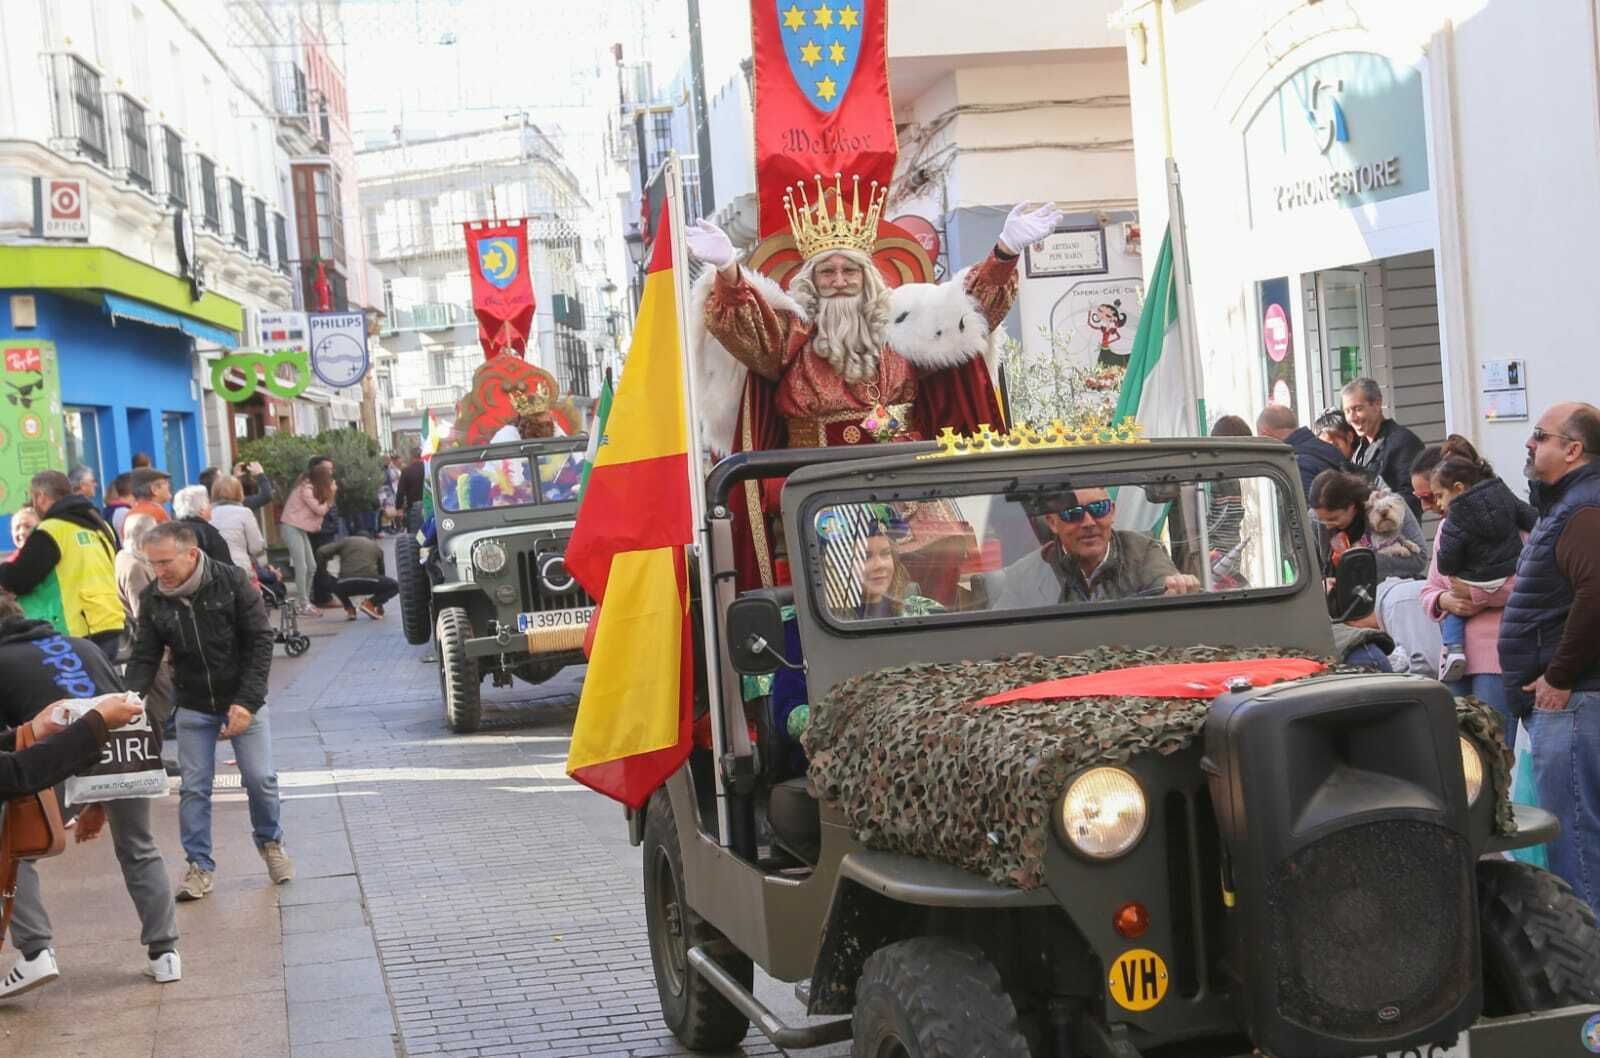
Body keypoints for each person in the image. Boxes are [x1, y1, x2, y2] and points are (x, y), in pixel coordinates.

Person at [689, 192, 1061, 591]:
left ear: (867, 277)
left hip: (906, 492)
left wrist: (1004, 251)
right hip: (818, 494)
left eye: (849, 270)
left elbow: (967, 313)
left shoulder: (905, 326)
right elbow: (746, 324)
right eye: (827, 272)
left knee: (937, 588)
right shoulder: (791, 335)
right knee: (827, 596)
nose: (839, 282)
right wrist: (728, 270)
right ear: (811, 281)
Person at [0, 593, 181, 997]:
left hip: (57, 752)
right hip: (127, 748)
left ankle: (36, 952)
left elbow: (9, 758)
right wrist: (98, 801)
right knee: (139, 847)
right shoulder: (82, 645)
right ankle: (166, 953)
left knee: (12, 851)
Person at [122, 522, 289, 900]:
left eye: (165, 562)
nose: (159, 571)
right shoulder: (153, 598)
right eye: (153, 563)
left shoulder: (231, 582)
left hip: (242, 698)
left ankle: (271, 843)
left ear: (191, 554)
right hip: (194, 703)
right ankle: (199, 866)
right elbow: (145, 655)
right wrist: (130, 699)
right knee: (194, 789)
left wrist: (247, 703)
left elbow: (261, 641)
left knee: (260, 779)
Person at [1499, 401, 1600, 918]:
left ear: (1573, 449)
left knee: (1577, 845)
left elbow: (1595, 594)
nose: (1529, 442)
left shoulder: (1583, 509)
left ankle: (1587, 961)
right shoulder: (1568, 505)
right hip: (1572, 701)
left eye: (1540, 435)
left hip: (1574, 701)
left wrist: (1559, 676)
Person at [986, 488, 1201, 608]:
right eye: (1073, 513)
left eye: (1099, 509)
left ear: (1112, 512)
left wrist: (1178, 590)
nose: (1088, 522)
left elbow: (1167, 585)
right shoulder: (1024, 575)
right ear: (1052, 522)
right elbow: (999, 637)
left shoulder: (1143, 551)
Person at [1429, 443, 1537, 681]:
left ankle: (1454, 647)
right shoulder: (1509, 504)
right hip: (1456, 665)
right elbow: (1430, 588)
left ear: (1458, 488)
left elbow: (1532, 582)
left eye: (1438, 496)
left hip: (1497, 653)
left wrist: (1475, 594)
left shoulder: (1455, 524)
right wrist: (1444, 600)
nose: (1436, 505)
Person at [0, 471, 124, 659]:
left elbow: (18, 579)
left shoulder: (52, 529)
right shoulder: (100, 525)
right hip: (108, 621)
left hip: (75, 628)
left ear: (41, 496)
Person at [1307, 469, 1428, 582]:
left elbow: (1420, 558)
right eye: (1321, 520)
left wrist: (1361, 563)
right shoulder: (1316, 520)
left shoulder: (1389, 505)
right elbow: (1314, 573)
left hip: (1389, 586)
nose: (1327, 526)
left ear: (1352, 506)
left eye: (1333, 519)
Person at [1341, 378, 1426, 518]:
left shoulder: (1403, 442)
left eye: (1358, 409)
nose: (1352, 418)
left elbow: (1412, 500)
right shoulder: (1360, 449)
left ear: (1377, 403)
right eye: (1347, 411)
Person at [279, 460, 337, 617]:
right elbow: (320, 510)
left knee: (311, 566)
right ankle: (303, 604)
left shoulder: (310, 487)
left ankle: (303, 602)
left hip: (300, 528)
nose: (331, 478)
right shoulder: (306, 489)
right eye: (328, 475)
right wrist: (331, 495)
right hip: (291, 527)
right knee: (302, 566)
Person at [1257, 404, 1350, 497]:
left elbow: (1306, 505)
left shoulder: (1294, 464)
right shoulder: (1329, 449)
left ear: (1265, 432)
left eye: (1260, 438)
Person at [316, 533, 397, 620]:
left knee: (332, 581)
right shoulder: (376, 547)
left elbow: (321, 552)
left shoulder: (345, 541)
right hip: (369, 582)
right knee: (395, 586)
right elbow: (381, 574)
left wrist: (323, 573)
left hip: (345, 584)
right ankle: (369, 604)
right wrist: (378, 604)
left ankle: (350, 609)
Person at [209, 475, 268, 575]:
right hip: (240, 569)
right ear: (239, 491)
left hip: (215, 570)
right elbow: (256, 547)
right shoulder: (245, 512)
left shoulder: (208, 513)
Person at [171, 484, 235, 568]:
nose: (211, 507)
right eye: (208, 503)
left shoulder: (169, 532)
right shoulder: (209, 534)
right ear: (202, 510)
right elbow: (225, 567)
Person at [395, 447, 425, 525]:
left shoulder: (406, 471)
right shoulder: (428, 469)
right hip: (428, 505)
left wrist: (398, 507)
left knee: (414, 530)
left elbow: (400, 491)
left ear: (411, 456)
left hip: (413, 507)